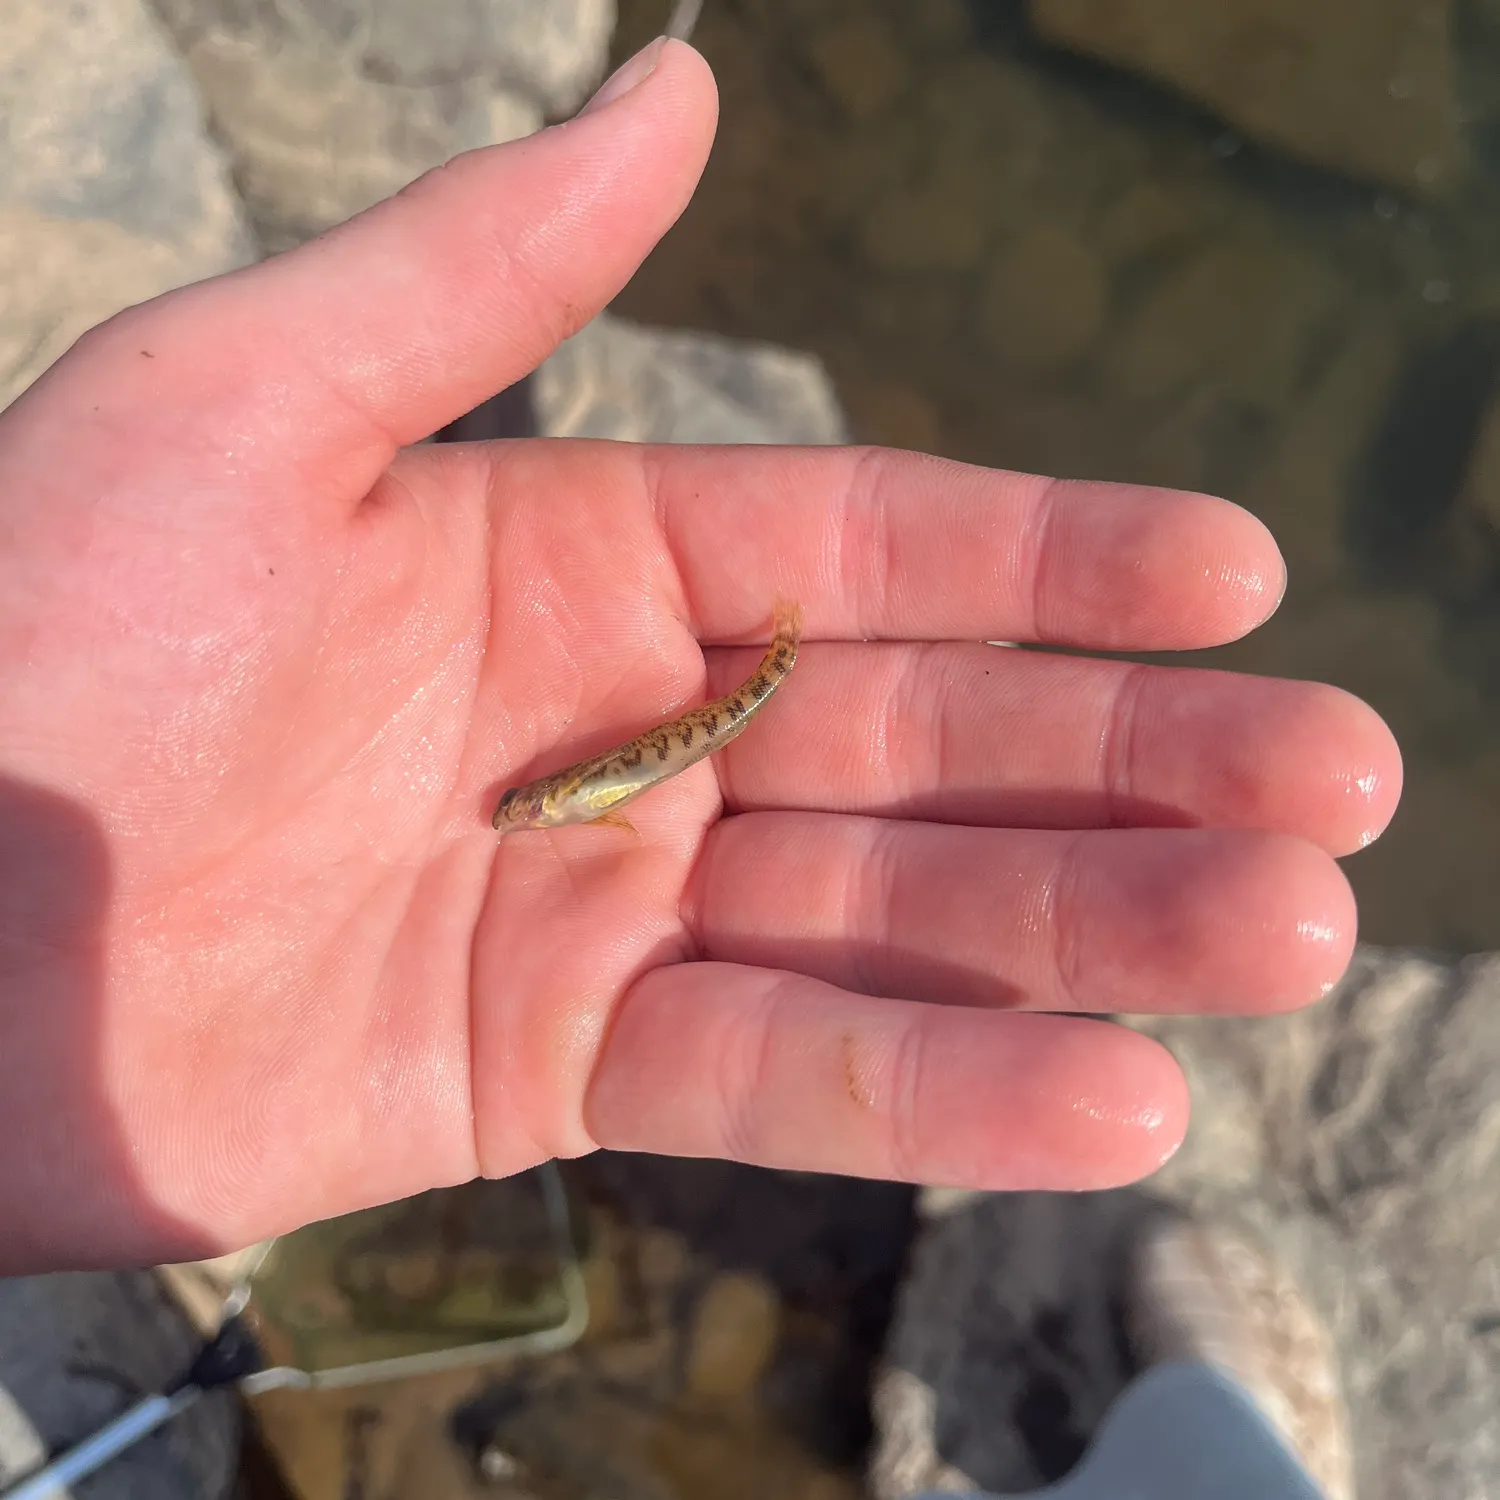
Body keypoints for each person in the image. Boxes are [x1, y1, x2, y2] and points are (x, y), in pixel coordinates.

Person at [0, 38, 1397, 1485]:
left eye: (528, 806)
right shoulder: (556, 808)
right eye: (528, 807)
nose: (525, 811)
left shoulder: (570, 796)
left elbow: (589, 795)